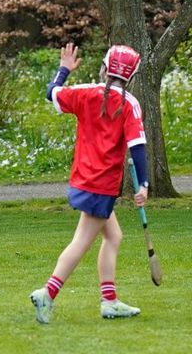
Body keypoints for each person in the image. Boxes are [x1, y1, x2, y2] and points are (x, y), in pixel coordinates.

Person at [29, 43, 149, 324]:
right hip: (101, 186)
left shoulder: (85, 93)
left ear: (105, 68)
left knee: (114, 236)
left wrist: (64, 70)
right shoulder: (129, 103)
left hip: (82, 181)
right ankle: (47, 292)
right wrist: (143, 184)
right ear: (130, 76)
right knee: (82, 241)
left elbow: (52, 93)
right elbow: (138, 147)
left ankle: (109, 301)